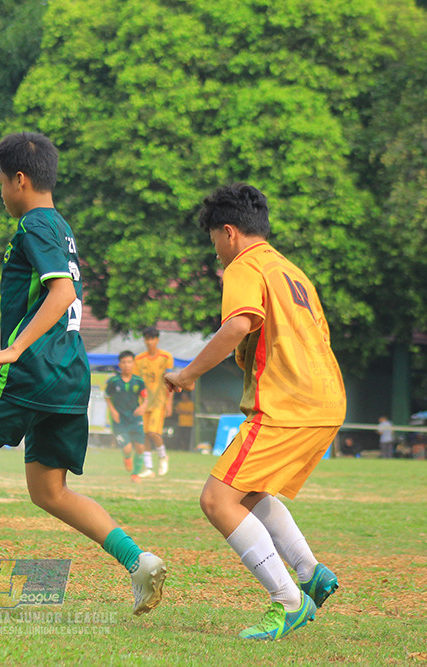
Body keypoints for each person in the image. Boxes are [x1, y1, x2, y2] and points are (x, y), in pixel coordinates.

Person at [0, 132, 166, 615]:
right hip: (67, 373)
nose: (1, 192)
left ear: (19, 180)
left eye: (1, 182)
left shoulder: (34, 225)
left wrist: (11, 350)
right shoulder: (59, 226)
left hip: (33, 370)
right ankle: (138, 560)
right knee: (48, 490)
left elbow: (61, 293)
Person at [164, 183, 346, 641]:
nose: (218, 256)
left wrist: (188, 374)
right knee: (248, 491)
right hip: (325, 400)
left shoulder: (245, 265)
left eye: (215, 245)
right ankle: (310, 573)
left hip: (288, 404)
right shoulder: (292, 271)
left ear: (229, 233)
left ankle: (288, 602)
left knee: (216, 500)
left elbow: (239, 323)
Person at [135, 326, 174, 476]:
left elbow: (170, 381)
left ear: (157, 340)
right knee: (144, 434)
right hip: (143, 403)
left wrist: (169, 403)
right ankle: (149, 468)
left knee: (153, 432)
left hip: (159, 402)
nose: (150, 342)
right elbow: (136, 383)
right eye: (147, 339)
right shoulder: (139, 359)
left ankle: (163, 456)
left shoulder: (166, 357)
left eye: (152, 338)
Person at [105, 350, 148, 480]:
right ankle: (127, 457)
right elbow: (107, 396)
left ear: (133, 363)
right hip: (120, 420)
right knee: (128, 448)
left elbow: (145, 397)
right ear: (119, 364)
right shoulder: (113, 381)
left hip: (135, 418)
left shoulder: (139, 381)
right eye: (124, 362)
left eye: (129, 362)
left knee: (140, 447)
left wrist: (143, 406)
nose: (127, 365)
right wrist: (113, 410)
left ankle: (135, 474)